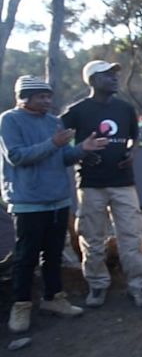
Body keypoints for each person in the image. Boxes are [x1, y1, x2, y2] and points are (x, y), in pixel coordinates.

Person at [3, 76, 108, 332]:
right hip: (28, 202)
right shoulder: (9, 120)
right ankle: (21, 306)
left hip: (58, 200)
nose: (48, 101)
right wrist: (54, 143)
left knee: (52, 254)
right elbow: (16, 157)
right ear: (23, 97)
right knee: (26, 257)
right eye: (41, 97)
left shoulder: (54, 122)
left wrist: (83, 148)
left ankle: (54, 298)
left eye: (49, 96)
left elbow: (63, 157)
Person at [61, 60, 142, 308]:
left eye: (115, 74)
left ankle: (139, 285)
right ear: (92, 80)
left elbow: (134, 137)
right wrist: (80, 151)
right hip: (91, 184)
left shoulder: (124, 108)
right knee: (91, 238)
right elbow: (57, 135)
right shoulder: (77, 110)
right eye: (107, 75)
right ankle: (97, 285)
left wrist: (132, 153)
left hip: (123, 183)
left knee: (131, 236)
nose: (114, 78)